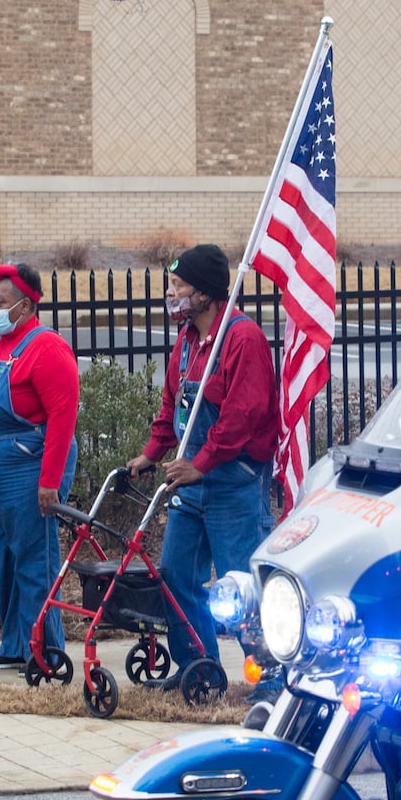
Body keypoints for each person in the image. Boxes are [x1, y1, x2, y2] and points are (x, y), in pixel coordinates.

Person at [126, 243, 279, 693]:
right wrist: (152, 453)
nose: (171, 294)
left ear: (207, 294)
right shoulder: (189, 340)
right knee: (177, 576)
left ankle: (271, 675)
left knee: (243, 586)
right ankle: (198, 668)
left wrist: (200, 464)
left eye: (178, 286)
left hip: (233, 484)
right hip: (190, 482)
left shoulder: (242, 338)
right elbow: (172, 403)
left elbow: (240, 417)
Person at [0, 262, 80, 669]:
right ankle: (14, 645)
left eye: (1, 303)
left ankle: (45, 651)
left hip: (25, 471)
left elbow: (62, 416)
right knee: (1, 559)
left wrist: (49, 482)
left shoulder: (46, 347)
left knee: (34, 559)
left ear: (25, 305)